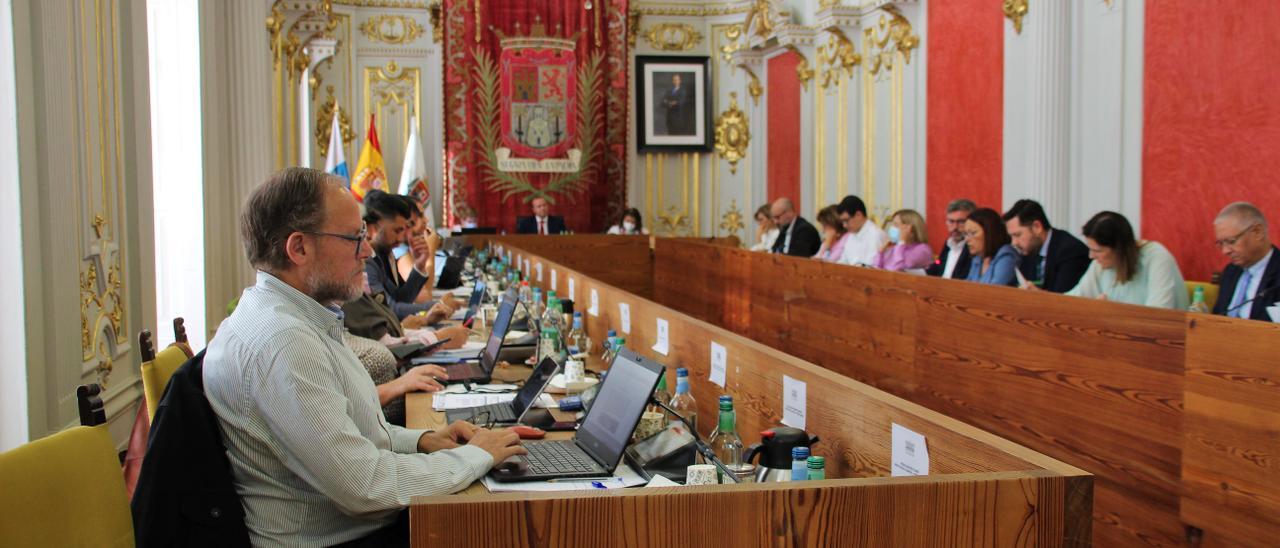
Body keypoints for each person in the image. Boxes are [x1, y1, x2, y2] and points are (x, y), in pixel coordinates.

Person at [205, 167, 525, 545]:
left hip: (349, 525)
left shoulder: (295, 315)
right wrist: (476, 457)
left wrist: (424, 441)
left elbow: (351, 433)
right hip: (341, 538)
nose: (368, 249)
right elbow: (364, 487)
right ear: (299, 248)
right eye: (354, 237)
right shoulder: (284, 342)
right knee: (508, 523)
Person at [1057, 211, 1189, 309]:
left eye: (1098, 251)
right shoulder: (1100, 264)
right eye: (1090, 249)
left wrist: (1110, 314)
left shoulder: (1157, 258)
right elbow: (1072, 301)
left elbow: (1158, 317)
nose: (1091, 256)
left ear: (1119, 249)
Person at [363, 190, 449, 320]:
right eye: (397, 230)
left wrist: (419, 265)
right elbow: (390, 309)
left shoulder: (381, 256)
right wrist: (439, 305)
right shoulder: (366, 262)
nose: (401, 238)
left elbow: (400, 298)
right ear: (372, 228)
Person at [343, 331, 449, 426]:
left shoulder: (337, 325)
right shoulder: (328, 341)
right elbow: (341, 409)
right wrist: (399, 385)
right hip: (375, 434)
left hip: (390, 431)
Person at [1002, 199, 1090, 292]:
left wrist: (1038, 296)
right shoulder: (1028, 251)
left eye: (1017, 235)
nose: (1014, 243)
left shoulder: (1070, 250)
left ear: (1037, 227)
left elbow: (1064, 299)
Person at [1212, 202, 1280, 320]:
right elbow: (1217, 316)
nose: (1225, 251)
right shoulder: (1230, 272)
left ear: (1257, 232)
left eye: (1231, 241)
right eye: (1221, 243)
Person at [964, 207, 1019, 286]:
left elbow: (993, 292)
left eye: (973, 233)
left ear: (989, 233)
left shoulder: (1007, 256)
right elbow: (967, 285)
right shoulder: (977, 258)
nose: (967, 239)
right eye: (965, 234)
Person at [926, 198, 975, 279]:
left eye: (961, 222)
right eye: (951, 221)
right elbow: (938, 264)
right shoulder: (948, 244)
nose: (955, 227)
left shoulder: (973, 248)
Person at [834, 195, 889, 266]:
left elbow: (872, 268)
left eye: (846, 220)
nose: (844, 225)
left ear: (858, 215)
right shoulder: (852, 235)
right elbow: (843, 261)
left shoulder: (875, 234)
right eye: (842, 222)